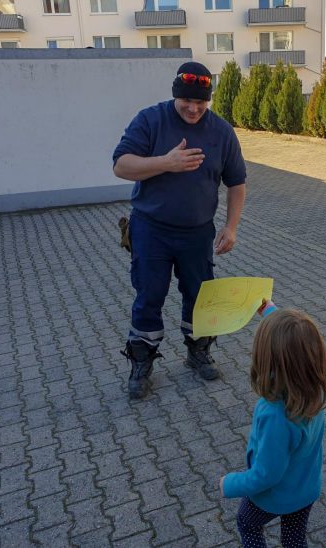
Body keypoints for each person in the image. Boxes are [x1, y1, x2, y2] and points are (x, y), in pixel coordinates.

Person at [112, 61, 247, 399]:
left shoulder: (221, 131)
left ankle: (198, 352)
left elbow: (237, 183)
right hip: (150, 229)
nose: (193, 108)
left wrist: (231, 228)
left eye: (201, 102)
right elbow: (121, 165)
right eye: (187, 101)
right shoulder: (150, 120)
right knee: (149, 296)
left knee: (201, 297)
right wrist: (165, 163)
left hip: (197, 233)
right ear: (175, 95)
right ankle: (141, 362)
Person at [220, 301, 326, 548]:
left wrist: (230, 483)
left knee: (248, 524)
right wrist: (270, 311)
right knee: (294, 538)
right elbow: (293, 339)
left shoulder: (276, 414)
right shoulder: (314, 388)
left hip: (273, 496)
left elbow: (266, 475)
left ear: (267, 358)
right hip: (305, 489)